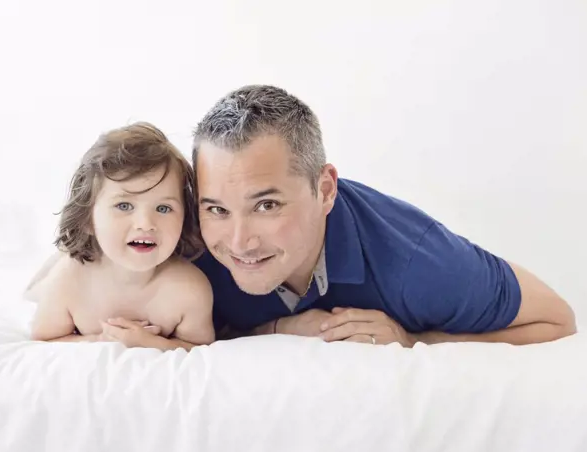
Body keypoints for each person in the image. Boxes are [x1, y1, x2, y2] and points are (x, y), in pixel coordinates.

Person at [188, 84, 577, 347]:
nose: (239, 242)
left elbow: (556, 320)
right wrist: (273, 329)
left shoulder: (419, 266)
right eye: (217, 209)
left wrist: (412, 340)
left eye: (266, 205)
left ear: (324, 190)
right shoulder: (187, 246)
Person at [25, 122, 215, 351]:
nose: (146, 224)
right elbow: (44, 339)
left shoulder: (190, 289)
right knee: (40, 286)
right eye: (124, 205)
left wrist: (148, 342)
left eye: (163, 208)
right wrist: (102, 340)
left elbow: (201, 349)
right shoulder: (69, 279)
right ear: (88, 219)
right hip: (71, 264)